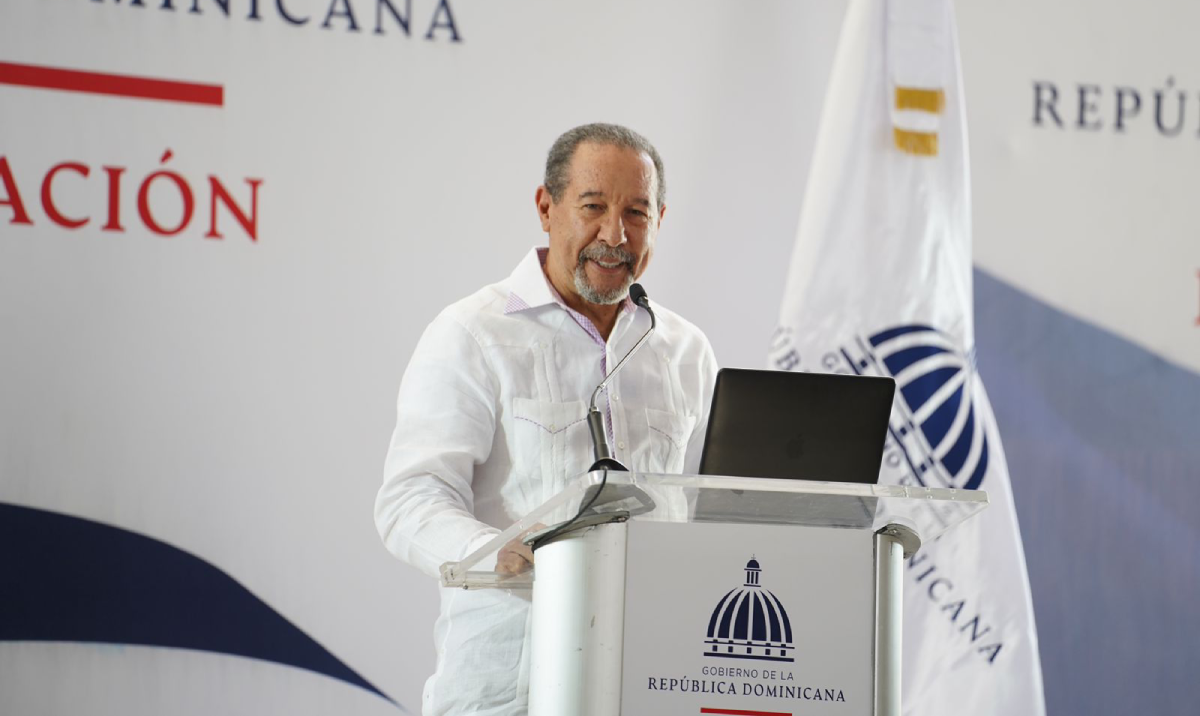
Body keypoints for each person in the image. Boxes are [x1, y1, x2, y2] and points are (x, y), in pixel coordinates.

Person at [375, 123, 719, 716]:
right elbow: (409, 502)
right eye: (594, 207)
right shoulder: (473, 333)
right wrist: (503, 550)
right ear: (546, 207)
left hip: (652, 687)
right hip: (508, 693)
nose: (614, 235)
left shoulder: (684, 350)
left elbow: (711, 509)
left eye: (636, 213)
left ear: (660, 218)